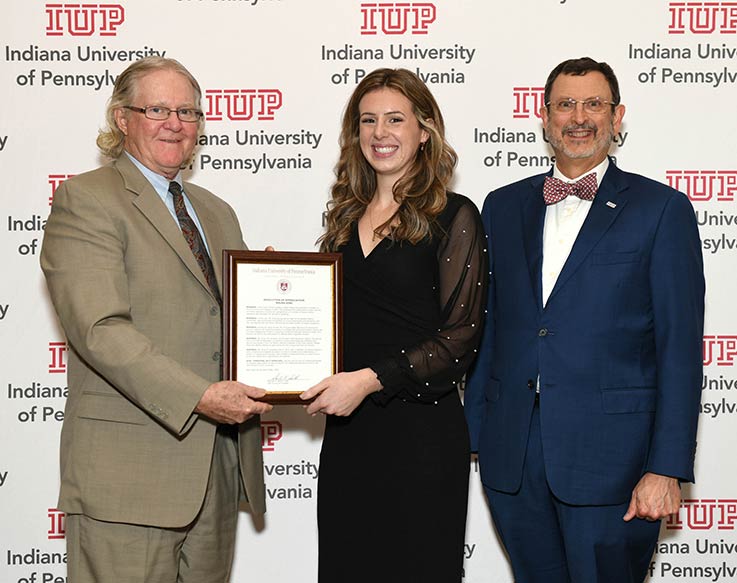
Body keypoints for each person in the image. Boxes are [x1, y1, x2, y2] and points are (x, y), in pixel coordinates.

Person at [464, 57, 705, 583]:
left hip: (615, 465)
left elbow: (680, 351)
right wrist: (476, 432)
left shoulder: (661, 209)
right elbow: (489, 324)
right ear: (544, 117)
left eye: (593, 104)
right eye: (565, 105)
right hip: (514, 461)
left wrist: (665, 467)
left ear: (618, 117)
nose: (579, 117)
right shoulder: (501, 207)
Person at [40, 57, 272, 583]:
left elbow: (221, 321)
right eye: (158, 108)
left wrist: (269, 296)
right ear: (123, 119)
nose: (175, 123)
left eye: (188, 111)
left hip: (215, 466)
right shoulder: (87, 199)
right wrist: (199, 396)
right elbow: (99, 329)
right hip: (129, 474)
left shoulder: (216, 211)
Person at [299, 68, 487, 583]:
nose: (380, 132)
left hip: (421, 436)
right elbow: (332, 320)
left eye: (395, 119)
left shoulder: (455, 216)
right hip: (351, 436)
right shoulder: (342, 218)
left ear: (424, 130)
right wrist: (281, 293)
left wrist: (369, 379)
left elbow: (461, 338)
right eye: (368, 120)